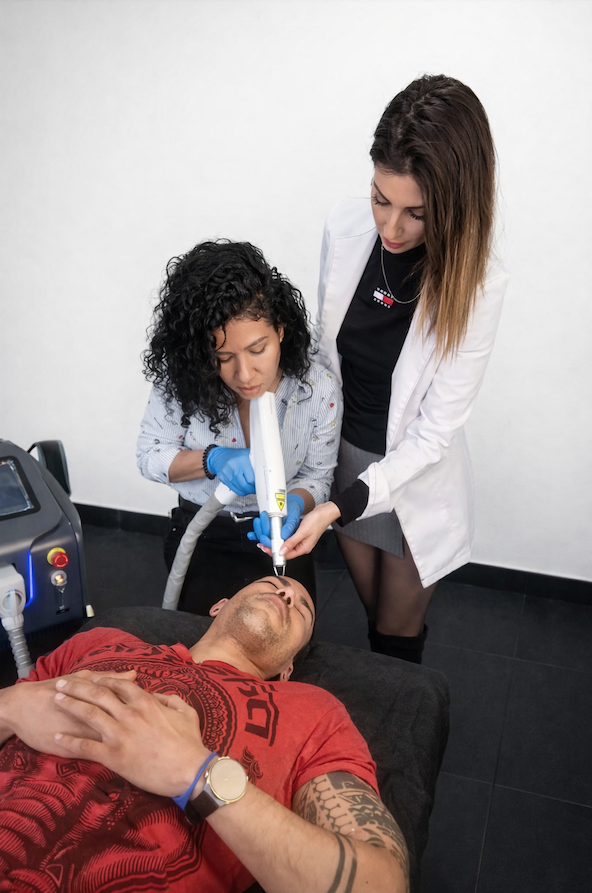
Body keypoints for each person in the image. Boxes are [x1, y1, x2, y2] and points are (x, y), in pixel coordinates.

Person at [270, 75, 510, 663]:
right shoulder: (344, 226)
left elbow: (433, 434)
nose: (390, 228)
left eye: (416, 214)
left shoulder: (478, 287)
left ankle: (401, 739)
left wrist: (337, 505)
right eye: (381, 199)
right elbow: (323, 361)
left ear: (455, 207)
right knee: (370, 609)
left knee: (396, 635)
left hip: (412, 473)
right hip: (345, 453)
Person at [0, 576, 409, 893]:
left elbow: (381, 882)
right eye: (274, 584)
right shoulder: (100, 643)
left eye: (303, 609)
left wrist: (197, 774)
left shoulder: (314, 712)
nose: (287, 596)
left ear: (288, 668)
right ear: (220, 606)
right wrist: (11, 705)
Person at [137, 240, 342, 612]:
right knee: (210, 645)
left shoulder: (316, 388)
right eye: (224, 357)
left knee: (286, 646)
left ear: (280, 330)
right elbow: (150, 456)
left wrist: (293, 504)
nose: (244, 375)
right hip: (206, 532)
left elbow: (318, 476)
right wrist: (213, 460)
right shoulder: (182, 381)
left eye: (257, 349)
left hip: (282, 534)